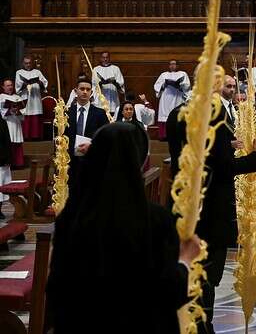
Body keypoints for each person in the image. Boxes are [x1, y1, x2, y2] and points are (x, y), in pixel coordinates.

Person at [47, 122, 203, 334]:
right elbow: (165, 293)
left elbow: (57, 291)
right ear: (138, 159)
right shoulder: (154, 220)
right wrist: (185, 260)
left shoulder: (71, 217)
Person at [167, 72, 256, 333]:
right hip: (212, 208)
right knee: (208, 277)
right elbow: (223, 167)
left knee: (188, 270)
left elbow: (199, 157)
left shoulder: (177, 113)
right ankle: (203, 326)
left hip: (185, 203)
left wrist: (226, 144)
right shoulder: (214, 118)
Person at [64, 77, 109, 191]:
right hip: (70, 162)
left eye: (88, 89)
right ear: (75, 91)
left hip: (92, 160)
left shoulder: (100, 113)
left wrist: (92, 146)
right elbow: (60, 137)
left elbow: (106, 138)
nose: (85, 92)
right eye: (82, 89)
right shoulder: (66, 113)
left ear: (91, 92)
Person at [154, 59, 190, 140]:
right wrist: (165, 84)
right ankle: (164, 135)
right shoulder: (164, 74)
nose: (172, 66)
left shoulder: (182, 73)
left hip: (178, 97)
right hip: (166, 98)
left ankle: (178, 135)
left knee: (177, 115)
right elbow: (157, 86)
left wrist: (179, 84)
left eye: (174, 64)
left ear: (178, 65)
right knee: (164, 116)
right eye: (170, 64)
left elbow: (187, 86)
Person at [15, 56, 48, 140]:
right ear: (23, 63)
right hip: (25, 99)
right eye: (26, 63)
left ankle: (37, 138)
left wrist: (40, 82)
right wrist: (25, 84)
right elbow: (18, 87)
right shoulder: (19, 72)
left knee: (36, 118)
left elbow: (45, 83)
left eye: (29, 63)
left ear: (32, 63)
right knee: (26, 117)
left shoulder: (37, 72)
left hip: (36, 99)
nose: (28, 65)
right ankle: (26, 138)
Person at [0, 79, 25, 168]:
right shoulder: (1, 97)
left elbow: (23, 112)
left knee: (17, 143)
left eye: (11, 85)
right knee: (8, 143)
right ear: (3, 87)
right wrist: (10, 111)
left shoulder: (17, 97)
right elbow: (1, 112)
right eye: (7, 85)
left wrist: (18, 111)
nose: (10, 87)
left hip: (16, 123)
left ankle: (18, 164)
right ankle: (10, 163)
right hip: (6, 124)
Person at [0, 116, 12, 219]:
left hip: (1, 160)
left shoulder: (2, 122)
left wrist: (8, 159)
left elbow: (7, 141)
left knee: (0, 187)